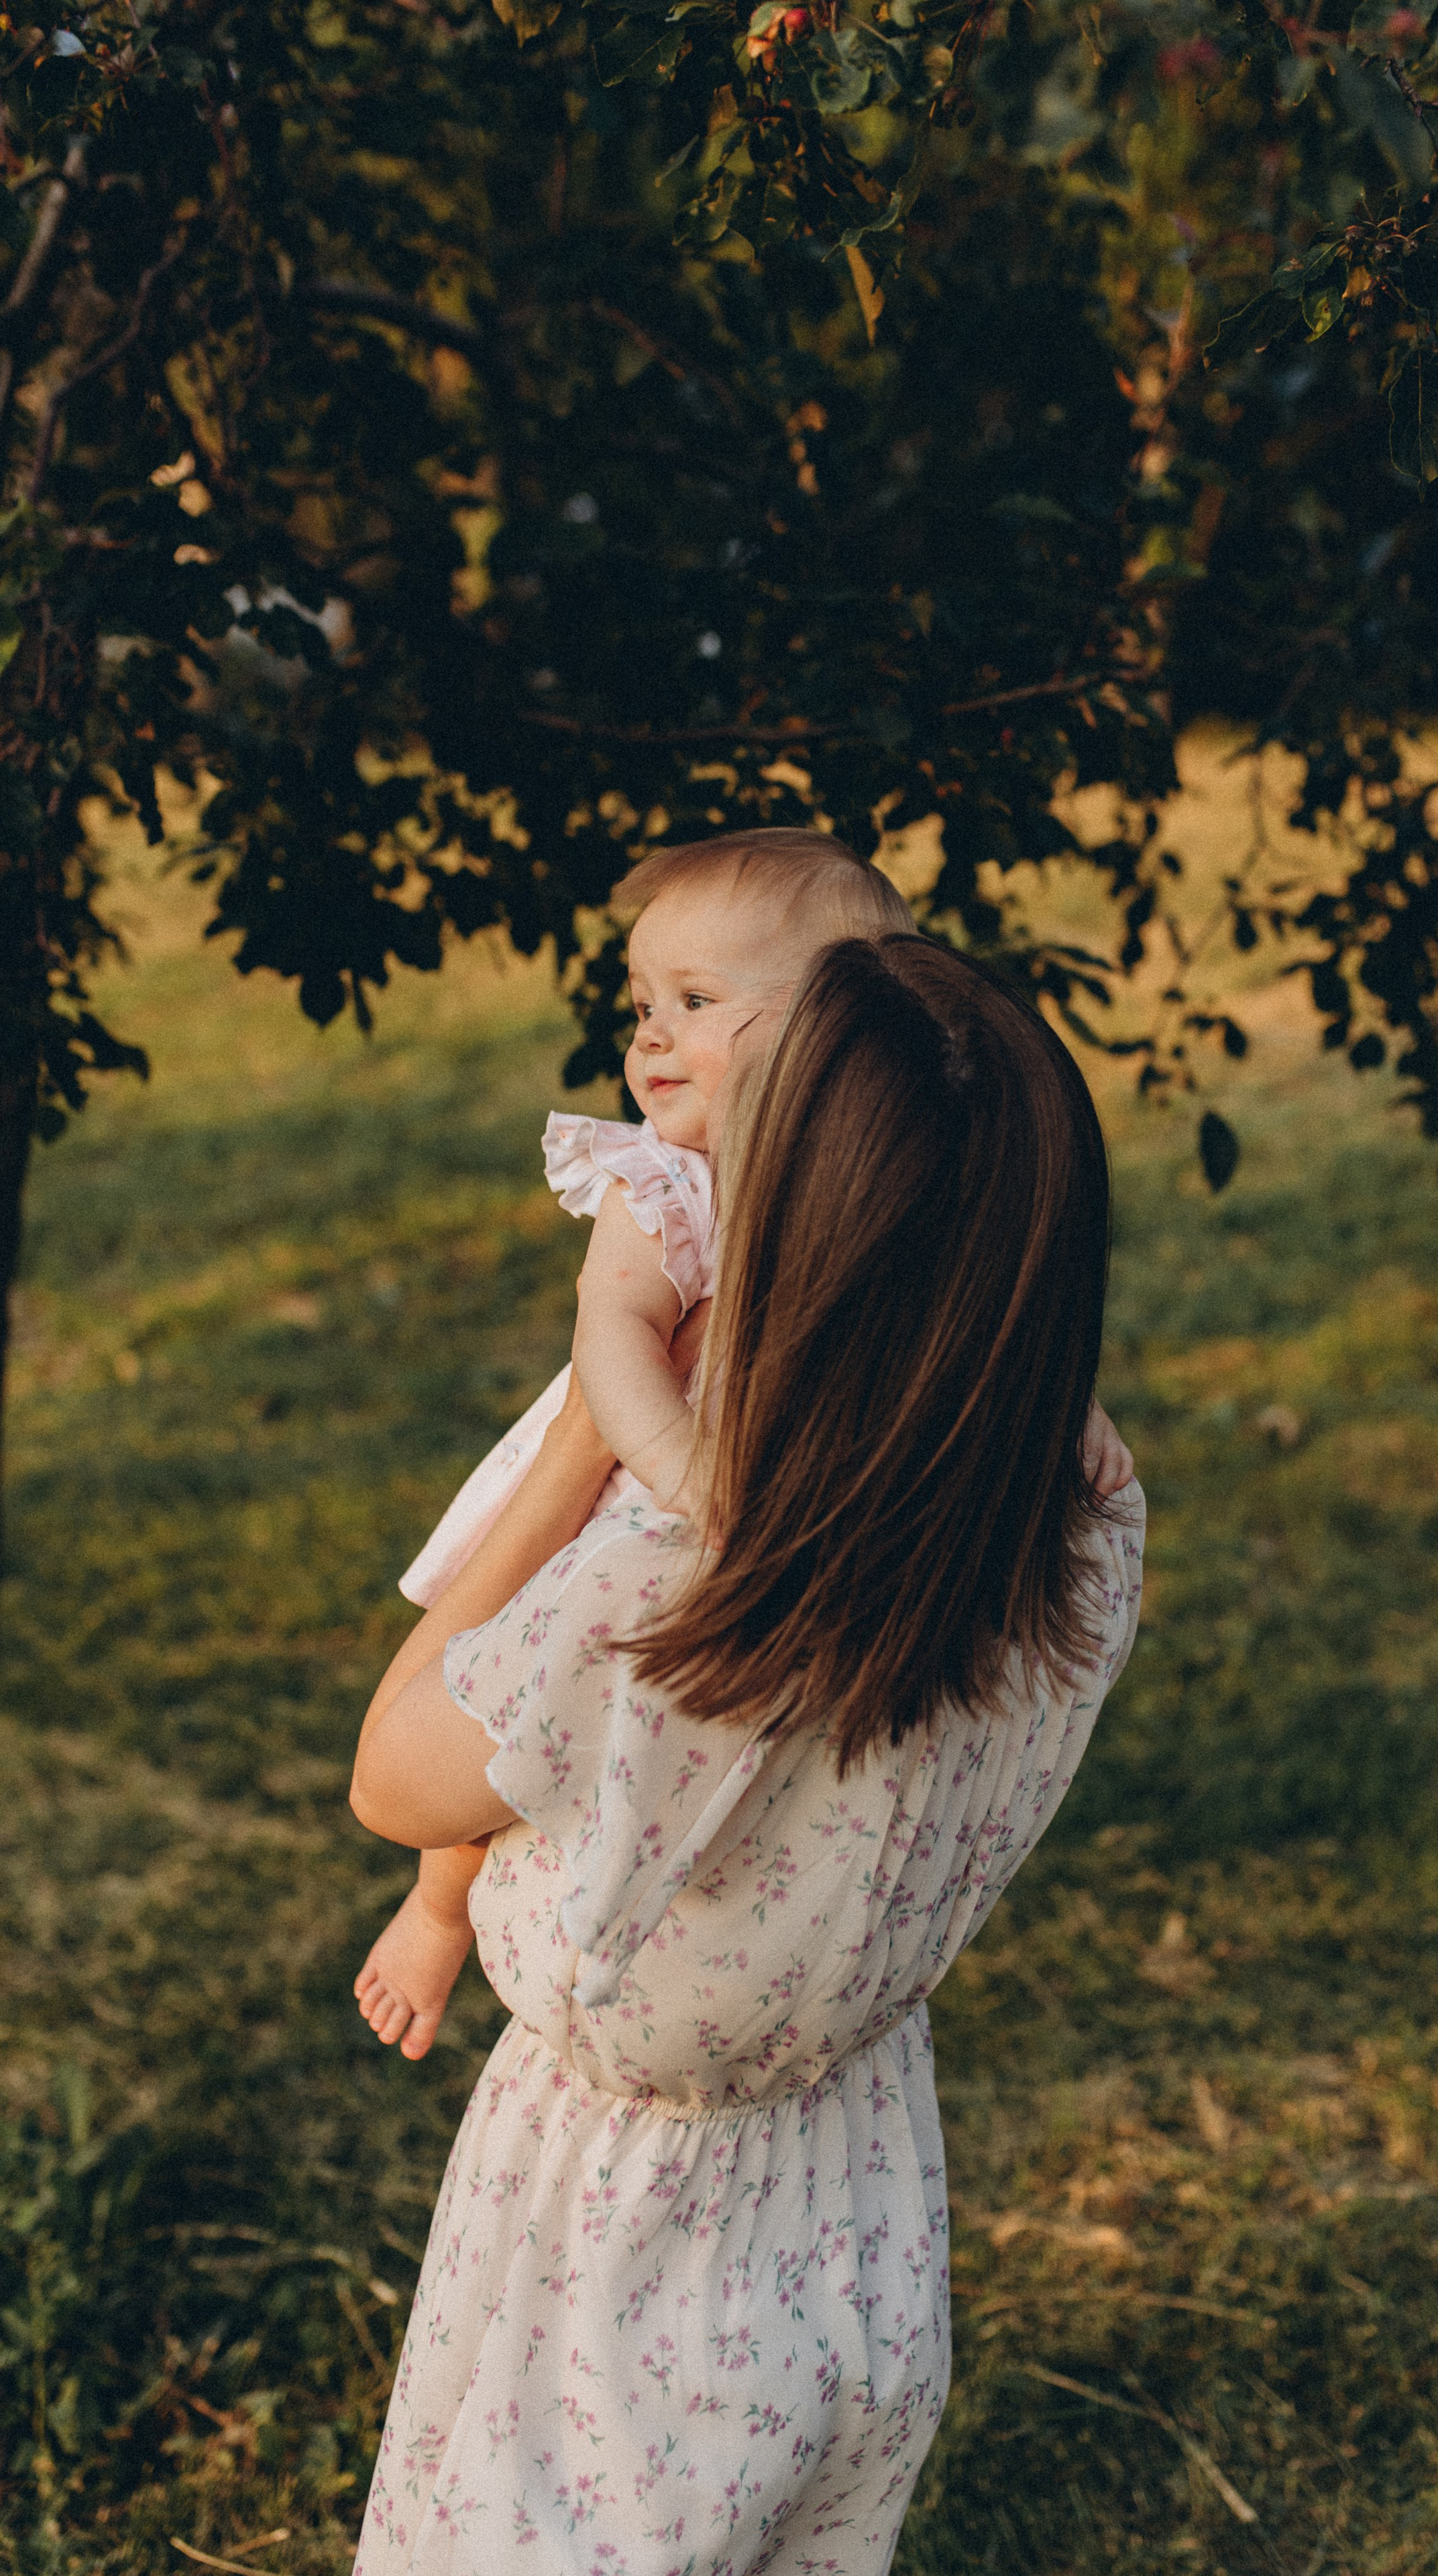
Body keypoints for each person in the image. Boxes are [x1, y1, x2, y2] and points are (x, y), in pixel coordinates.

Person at [347, 934, 1145, 2575]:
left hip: (620, 2234)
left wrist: (584, 1433)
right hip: (853, 2173)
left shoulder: (685, 1570)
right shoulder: (1077, 1502)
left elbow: (394, 1777)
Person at [354, 830, 915, 2061]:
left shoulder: (884, 1180)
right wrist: (680, 1472)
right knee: (507, 1704)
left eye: (696, 1002)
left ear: (842, 1028)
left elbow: (970, 1309)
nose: (650, 1037)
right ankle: (438, 1906)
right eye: (643, 1003)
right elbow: (611, 1337)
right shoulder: (665, 1182)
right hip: (615, 1484)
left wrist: (1074, 1424)